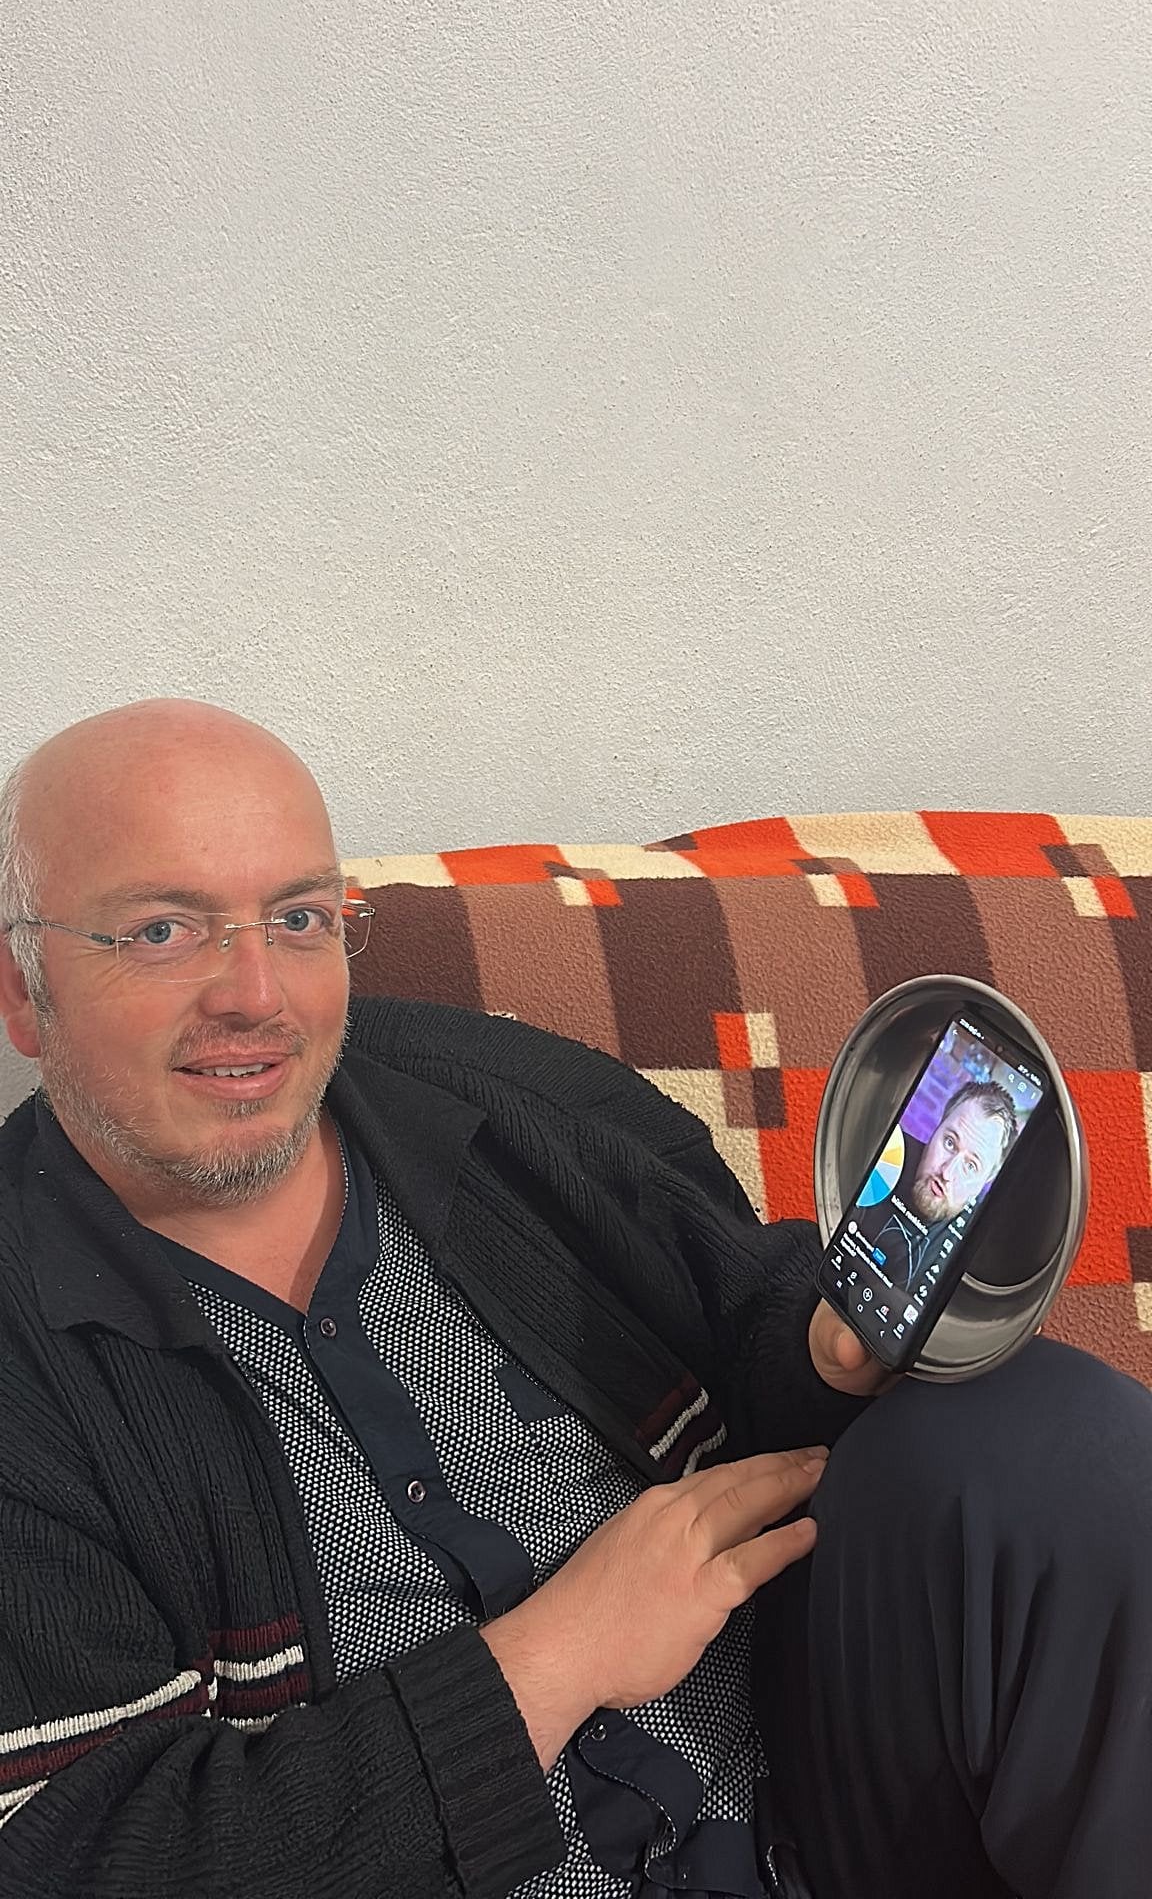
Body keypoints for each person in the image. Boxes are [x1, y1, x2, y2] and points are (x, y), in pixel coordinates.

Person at [0, 702, 1148, 1899]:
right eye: (163, 929)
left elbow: (742, 1308)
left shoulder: (496, 1092)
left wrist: (824, 1348)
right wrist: (555, 1658)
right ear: (24, 989)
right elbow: (72, 1851)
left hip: (809, 1799)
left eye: (298, 917)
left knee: (1052, 1434)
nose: (255, 993)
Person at [857, 1080, 1019, 1293]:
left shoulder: (980, 1247)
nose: (947, 1173)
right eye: (949, 1143)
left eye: (971, 1166)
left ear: (987, 1180)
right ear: (937, 1127)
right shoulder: (885, 1152)